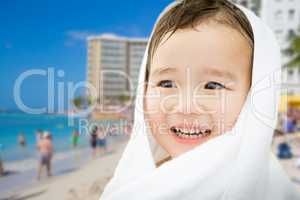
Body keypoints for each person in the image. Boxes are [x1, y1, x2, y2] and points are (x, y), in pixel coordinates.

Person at [100, 0, 300, 199]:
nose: (186, 107)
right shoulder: (131, 185)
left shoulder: (269, 191)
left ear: (255, 96)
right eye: (167, 83)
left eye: (213, 86)